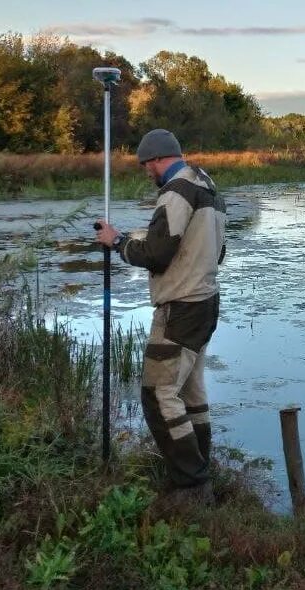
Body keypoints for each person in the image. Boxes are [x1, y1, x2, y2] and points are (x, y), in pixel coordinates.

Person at [95, 129, 226, 506]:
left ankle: (190, 484)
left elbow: (156, 253)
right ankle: (201, 470)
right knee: (190, 392)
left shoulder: (175, 192)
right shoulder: (206, 185)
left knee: (157, 393)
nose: (146, 173)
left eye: (145, 166)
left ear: (155, 160)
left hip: (180, 308)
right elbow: (215, 250)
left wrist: (117, 242)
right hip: (206, 302)